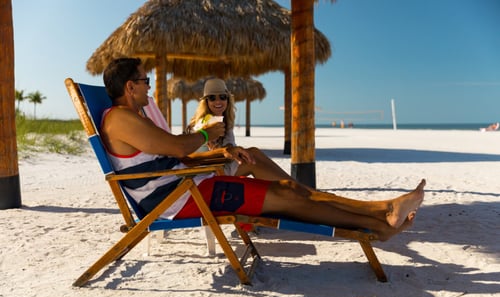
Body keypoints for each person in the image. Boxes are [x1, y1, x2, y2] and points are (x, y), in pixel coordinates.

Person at [101, 57, 426, 241]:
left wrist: (223, 152)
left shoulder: (131, 116)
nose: (149, 85)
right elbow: (176, 145)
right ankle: (379, 219)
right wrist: (207, 134)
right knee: (287, 197)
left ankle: (382, 213)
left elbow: (172, 153)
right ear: (130, 87)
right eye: (145, 80)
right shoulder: (120, 119)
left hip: (189, 187)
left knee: (288, 190)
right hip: (180, 200)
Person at [186, 78, 293, 181]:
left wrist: (232, 149)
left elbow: (228, 145)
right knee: (253, 158)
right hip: (207, 172)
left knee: (254, 152)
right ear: (206, 102)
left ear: (227, 99)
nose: (218, 101)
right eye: (212, 98)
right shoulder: (205, 122)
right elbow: (199, 152)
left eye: (222, 97)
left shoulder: (223, 121)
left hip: (218, 165)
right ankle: (294, 188)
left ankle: (293, 187)